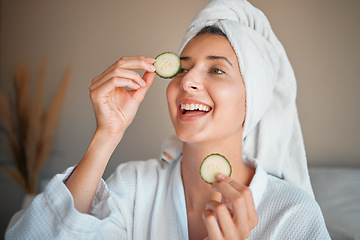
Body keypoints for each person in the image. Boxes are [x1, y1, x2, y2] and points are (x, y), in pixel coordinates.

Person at [5, 0, 330, 239]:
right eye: (182, 67)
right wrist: (106, 133)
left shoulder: (294, 216)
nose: (187, 81)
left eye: (216, 69)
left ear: (252, 99)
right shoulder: (135, 186)